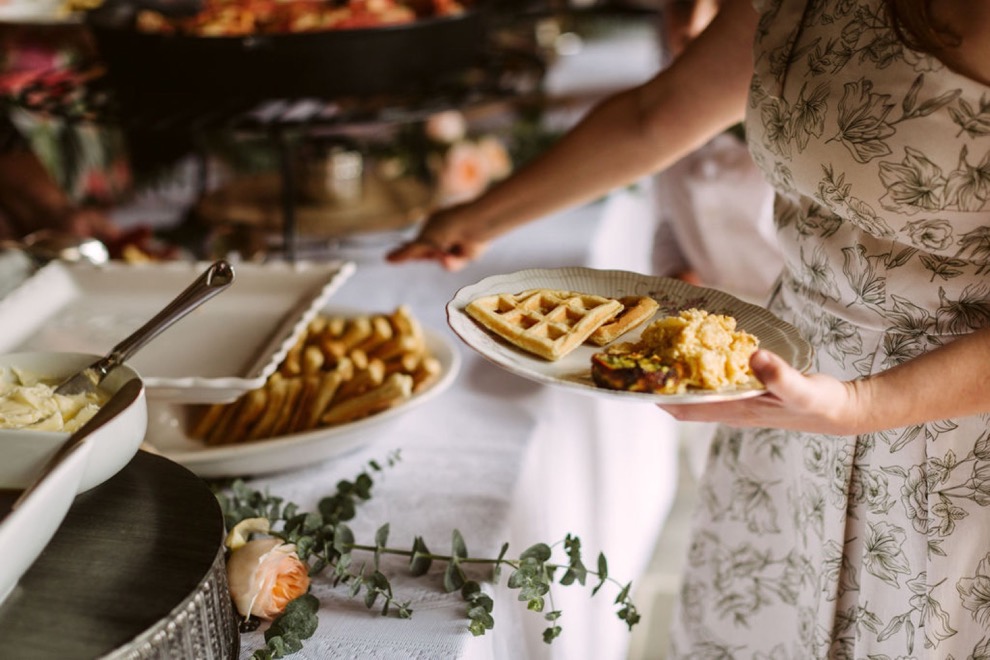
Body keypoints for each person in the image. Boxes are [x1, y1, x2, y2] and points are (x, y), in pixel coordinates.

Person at [388, 0, 990, 656]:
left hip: (948, 446)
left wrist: (863, 405)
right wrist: (480, 217)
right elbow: (659, 114)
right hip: (794, 406)